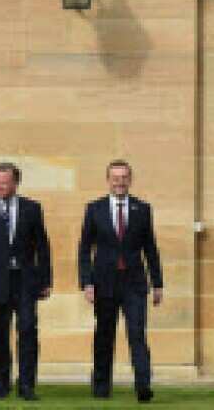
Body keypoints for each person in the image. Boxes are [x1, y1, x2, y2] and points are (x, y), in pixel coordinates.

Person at [78, 159, 164, 403]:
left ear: (130, 179)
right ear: (108, 180)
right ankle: (101, 387)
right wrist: (87, 282)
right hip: (104, 282)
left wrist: (157, 283)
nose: (120, 182)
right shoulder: (94, 209)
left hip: (134, 283)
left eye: (124, 177)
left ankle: (143, 386)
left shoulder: (142, 209)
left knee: (137, 333)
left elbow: (151, 249)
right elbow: (84, 249)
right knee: (104, 334)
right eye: (115, 178)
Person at [0, 161, 52, 401]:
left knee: (27, 330)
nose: (0, 186)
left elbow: (42, 247)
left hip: (25, 281)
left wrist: (45, 280)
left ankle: (26, 385)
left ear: (16, 183)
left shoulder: (32, 209)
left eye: (4, 182)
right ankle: (0, 384)